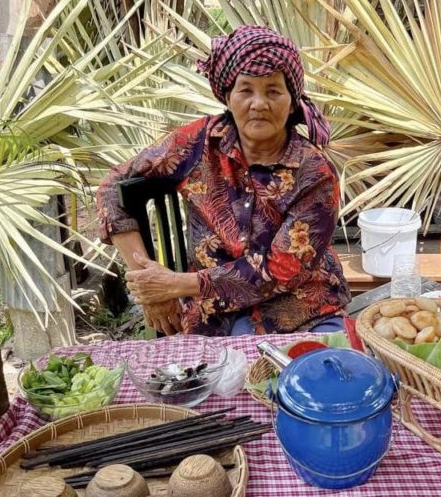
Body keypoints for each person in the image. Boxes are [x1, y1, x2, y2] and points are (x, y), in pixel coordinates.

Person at [96, 25, 351, 337]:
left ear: (292, 100)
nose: (259, 103)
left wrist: (174, 285)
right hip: (210, 316)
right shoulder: (198, 142)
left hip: (300, 310)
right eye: (246, 90)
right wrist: (147, 280)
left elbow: (278, 273)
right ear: (228, 97)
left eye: (273, 90)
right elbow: (113, 186)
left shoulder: (314, 173)